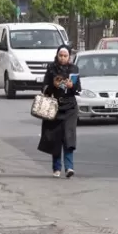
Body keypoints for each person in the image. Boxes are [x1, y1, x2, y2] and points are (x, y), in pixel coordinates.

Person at [38, 45, 82, 178]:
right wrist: (53, 86)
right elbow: (44, 89)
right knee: (55, 139)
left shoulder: (74, 69)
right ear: (57, 56)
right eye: (60, 56)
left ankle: (69, 167)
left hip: (70, 108)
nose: (63, 58)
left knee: (68, 137)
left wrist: (71, 86)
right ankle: (56, 168)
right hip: (54, 108)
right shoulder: (51, 69)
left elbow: (78, 89)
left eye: (65, 56)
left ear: (69, 57)